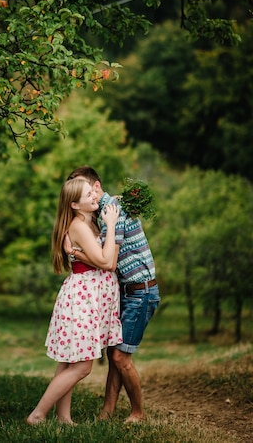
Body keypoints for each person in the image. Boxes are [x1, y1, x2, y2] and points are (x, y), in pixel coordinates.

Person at [65, 166, 160, 423]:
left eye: (87, 190)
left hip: (140, 292)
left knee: (120, 356)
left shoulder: (111, 212)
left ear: (96, 186)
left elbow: (108, 262)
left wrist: (75, 253)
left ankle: (138, 413)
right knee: (114, 353)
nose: (86, 196)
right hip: (128, 291)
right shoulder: (103, 211)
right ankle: (106, 413)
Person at [26, 177, 122, 425]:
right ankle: (37, 414)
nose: (94, 196)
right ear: (74, 205)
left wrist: (76, 251)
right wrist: (111, 225)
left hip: (88, 296)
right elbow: (104, 260)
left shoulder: (87, 222)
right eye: (88, 194)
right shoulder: (79, 225)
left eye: (93, 191)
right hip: (83, 299)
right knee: (82, 367)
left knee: (68, 361)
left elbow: (96, 259)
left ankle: (63, 417)